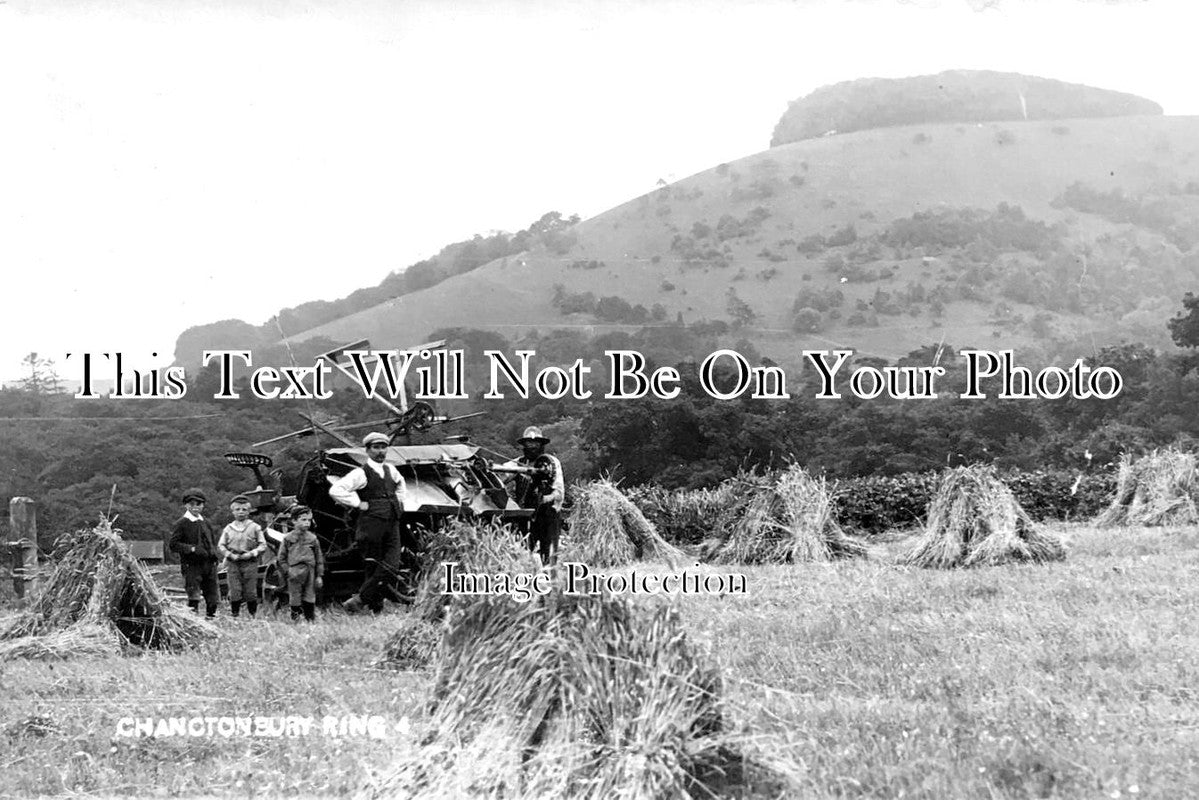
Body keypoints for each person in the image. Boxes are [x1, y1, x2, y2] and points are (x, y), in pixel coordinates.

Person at [329, 431, 413, 614]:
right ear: (367, 450)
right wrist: (358, 503)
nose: (381, 451)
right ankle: (376, 608)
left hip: (392, 523)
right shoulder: (360, 473)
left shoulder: (392, 470)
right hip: (371, 524)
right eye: (376, 448)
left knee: (391, 566)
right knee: (373, 566)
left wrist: (399, 503)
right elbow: (336, 490)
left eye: (384, 447)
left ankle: (359, 600)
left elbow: (401, 485)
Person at [508, 426, 565, 564]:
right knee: (522, 553)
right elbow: (500, 476)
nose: (532, 446)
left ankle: (551, 581)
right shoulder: (517, 463)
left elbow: (559, 491)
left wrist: (546, 499)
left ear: (541, 444)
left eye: (536, 443)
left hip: (548, 514)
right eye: (529, 443)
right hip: (525, 514)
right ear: (524, 445)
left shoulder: (551, 462)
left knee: (549, 555)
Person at [168, 488, 220, 618]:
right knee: (194, 595)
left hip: (209, 564)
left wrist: (214, 554)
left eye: (199, 504)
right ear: (186, 505)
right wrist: (191, 549)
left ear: (203, 505)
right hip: (191, 565)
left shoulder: (206, 522)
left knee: (212, 596)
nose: (196, 507)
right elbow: (173, 545)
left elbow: (211, 541)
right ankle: (194, 620)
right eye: (192, 504)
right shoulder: (182, 523)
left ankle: (211, 619)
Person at [217, 494, 267, 618]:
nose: (241, 512)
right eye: (237, 509)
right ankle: (235, 615)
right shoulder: (228, 529)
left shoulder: (255, 527)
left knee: (250, 591)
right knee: (235, 590)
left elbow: (263, 545)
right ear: (233, 511)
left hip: (250, 562)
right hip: (233, 563)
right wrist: (229, 555)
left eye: (244, 509)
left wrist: (251, 553)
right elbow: (221, 546)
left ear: (249, 511)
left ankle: (252, 616)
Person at [276, 505, 324, 621]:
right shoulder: (288, 539)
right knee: (295, 596)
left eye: (309, 520)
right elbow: (281, 558)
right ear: (294, 521)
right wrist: (288, 571)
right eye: (303, 520)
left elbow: (319, 558)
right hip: (294, 571)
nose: (307, 523)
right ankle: (295, 618)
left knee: (309, 595)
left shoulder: (312, 539)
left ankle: (310, 619)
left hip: (310, 571)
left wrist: (319, 576)